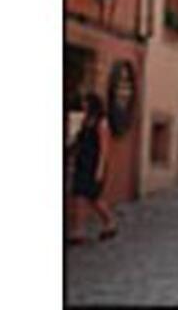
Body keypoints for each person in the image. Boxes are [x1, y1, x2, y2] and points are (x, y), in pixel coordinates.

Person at [68, 93, 118, 244]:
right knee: (78, 195)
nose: (83, 105)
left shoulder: (102, 123)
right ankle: (78, 231)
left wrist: (100, 170)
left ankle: (110, 222)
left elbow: (104, 149)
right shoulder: (86, 121)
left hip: (93, 164)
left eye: (86, 103)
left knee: (94, 198)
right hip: (82, 163)